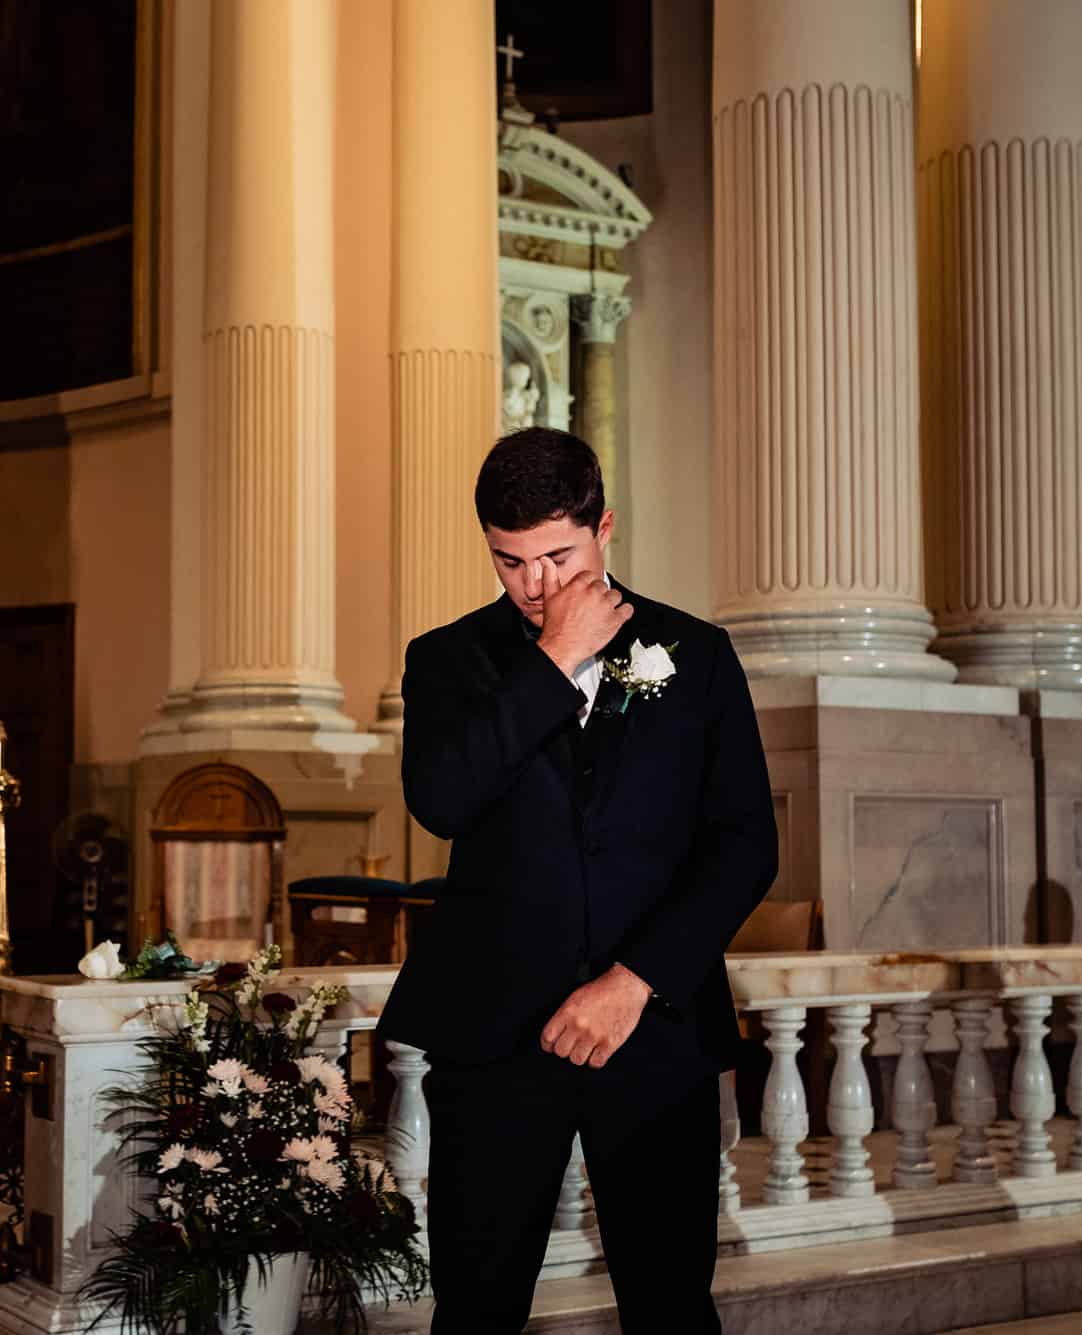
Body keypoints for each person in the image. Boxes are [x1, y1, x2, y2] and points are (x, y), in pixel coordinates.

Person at [377, 428, 777, 1333]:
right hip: (494, 1034)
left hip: (655, 1026)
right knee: (476, 1306)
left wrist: (634, 982)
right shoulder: (446, 660)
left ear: (606, 529)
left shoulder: (698, 653)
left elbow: (745, 844)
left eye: (558, 555)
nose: (537, 584)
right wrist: (553, 660)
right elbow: (439, 801)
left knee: (670, 1302)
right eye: (509, 562)